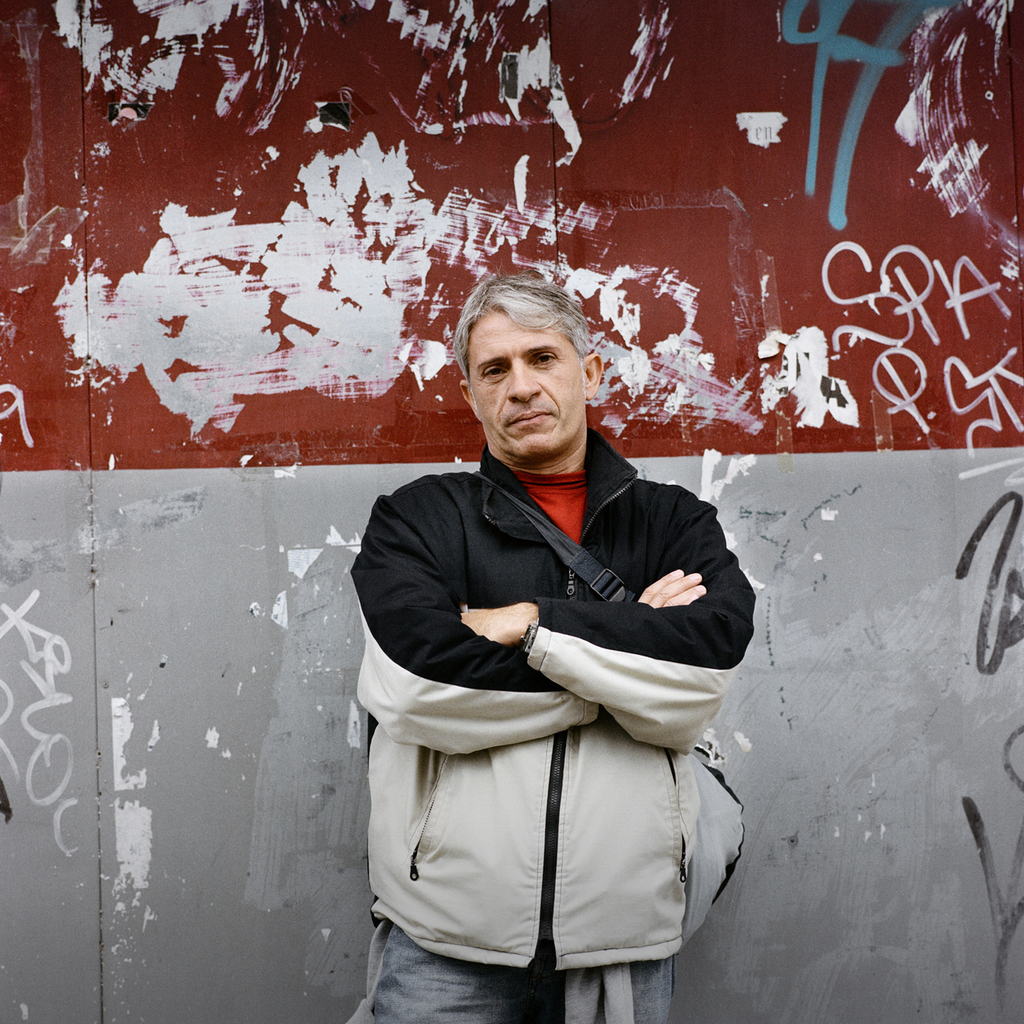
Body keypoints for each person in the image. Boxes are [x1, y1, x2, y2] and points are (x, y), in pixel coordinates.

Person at [349, 272, 755, 1024]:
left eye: (542, 358)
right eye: (494, 370)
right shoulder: (417, 520)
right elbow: (414, 687)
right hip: (446, 942)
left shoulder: (673, 522)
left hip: (621, 940)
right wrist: (624, 664)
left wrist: (527, 621)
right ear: (471, 395)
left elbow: (704, 671)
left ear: (590, 373)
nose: (521, 386)